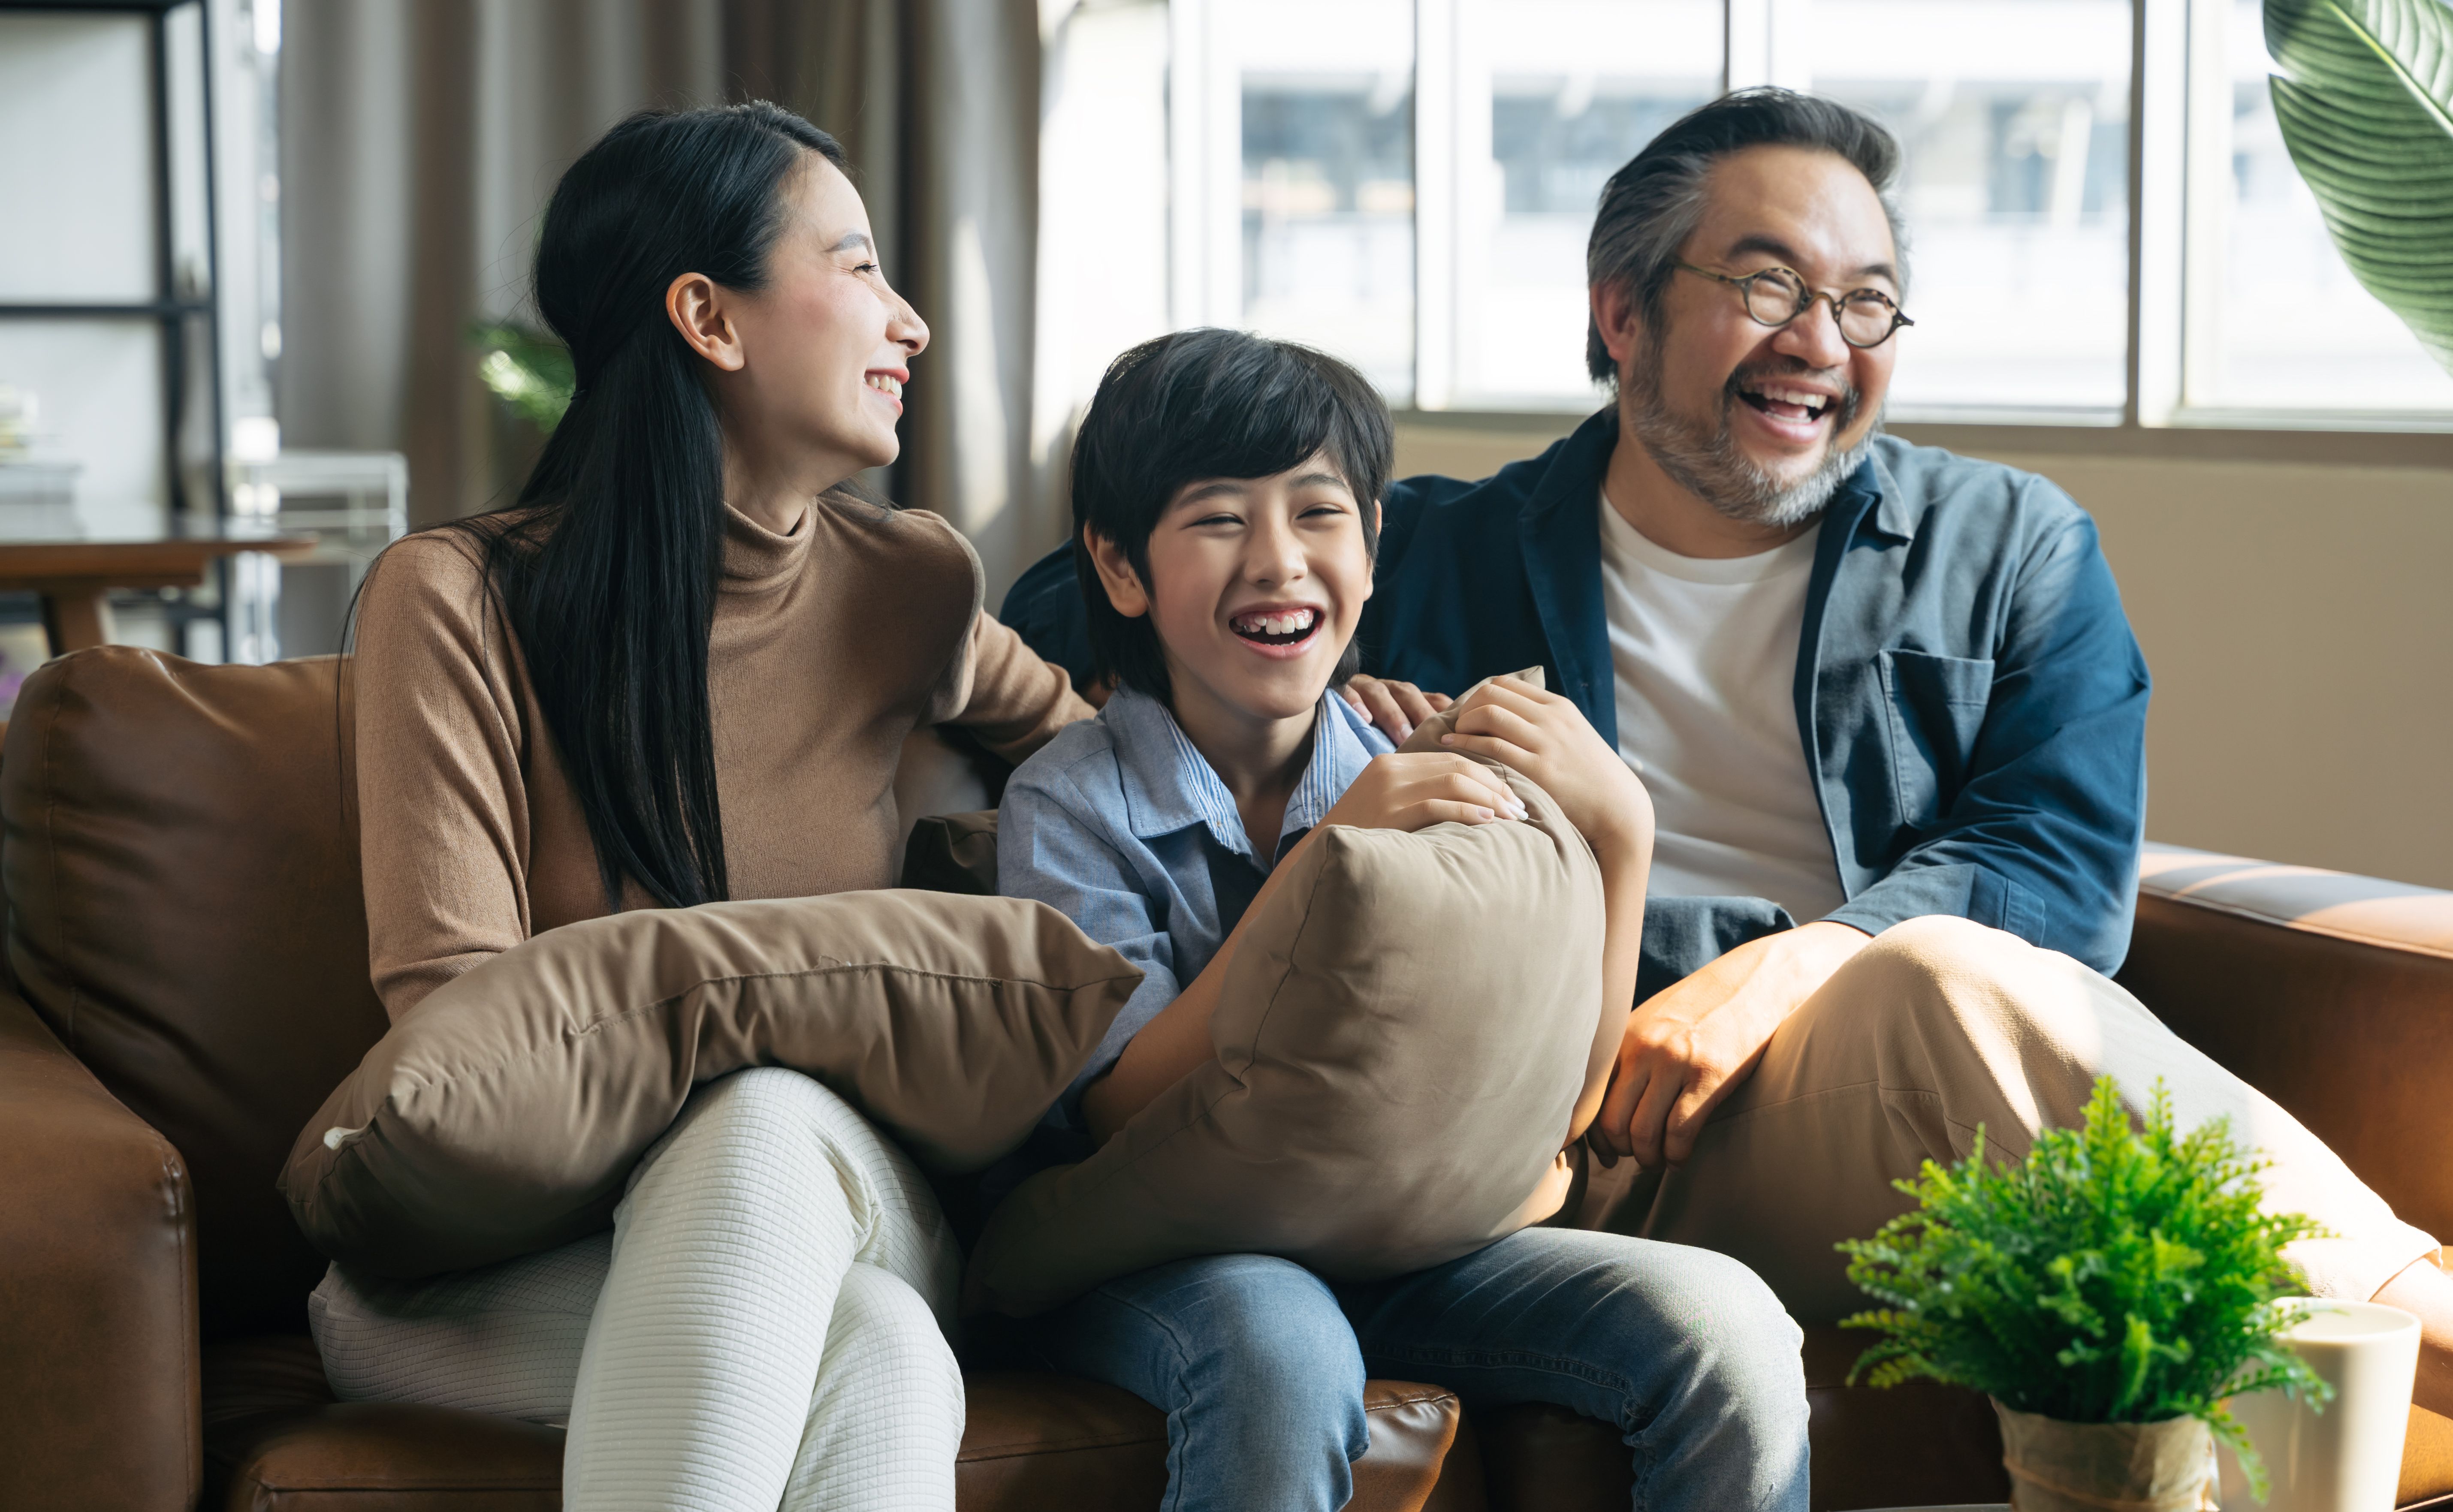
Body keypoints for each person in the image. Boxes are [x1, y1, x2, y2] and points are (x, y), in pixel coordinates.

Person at [1003, 88, 2453, 1413]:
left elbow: (2062, 876)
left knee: (1942, 980)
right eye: (1767, 284)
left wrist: (1793, 966)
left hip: (1828, 1097)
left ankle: (2416, 1330)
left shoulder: (2006, 552)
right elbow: (1087, 596)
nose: (1820, 341)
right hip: (1542, 1131)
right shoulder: (1430, 556)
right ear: (1621, 312)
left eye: (1868, 303)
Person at [315, 104, 1093, 1512]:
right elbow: (457, 1023)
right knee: (888, 1360)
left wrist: (1358, 732)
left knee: (763, 1124)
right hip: (508, 1269)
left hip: (843, 1192)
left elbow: (1125, 779)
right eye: (857, 267)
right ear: (708, 319)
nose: (909, 322)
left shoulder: (912, 587)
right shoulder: (459, 601)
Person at [994, 325, 1810, 1512]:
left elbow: (1559, 1120)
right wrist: (1331, 859)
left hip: (1423, 1244)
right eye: (1219, 519)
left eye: (1318, 514)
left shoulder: (1423, 757)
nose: (1278, 561)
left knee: (1727, 1329)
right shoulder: (1069, 801)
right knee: (1282, 1356)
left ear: (1374, 545)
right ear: (1120, 571)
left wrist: (1622, 836)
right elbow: (1123, 1108)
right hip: (1172, 1256)